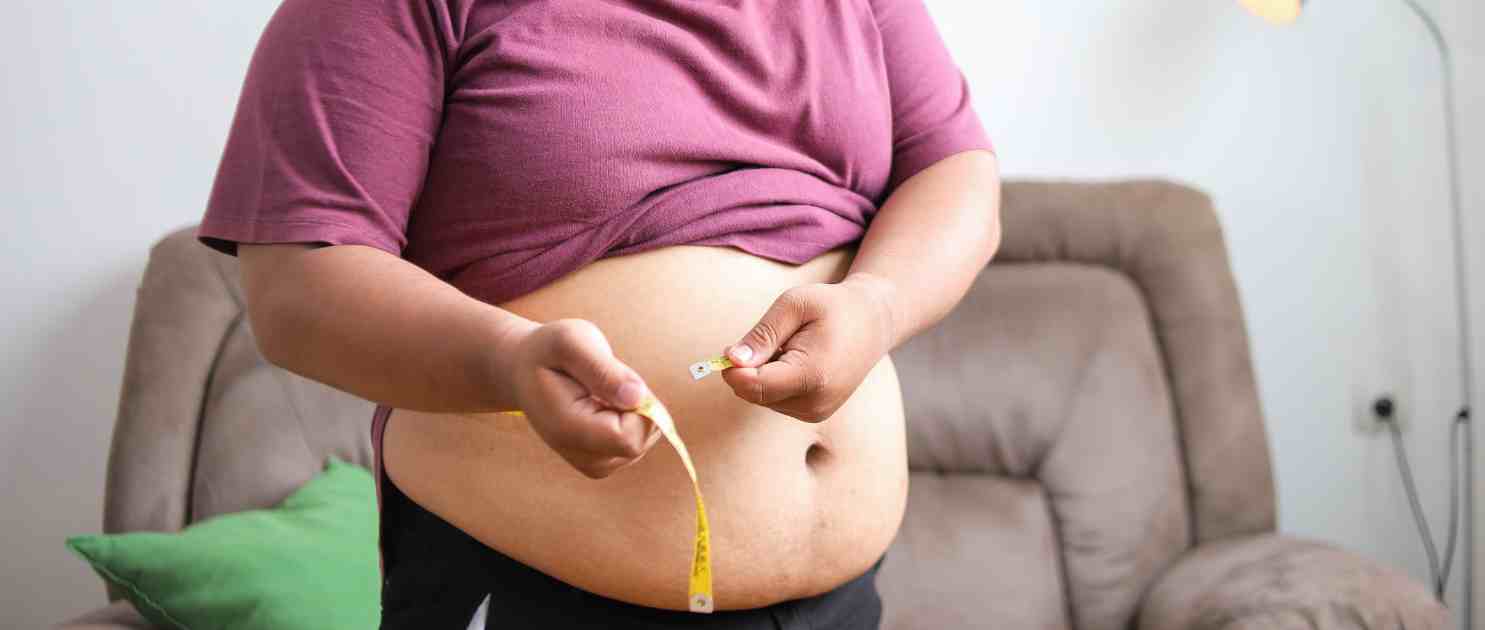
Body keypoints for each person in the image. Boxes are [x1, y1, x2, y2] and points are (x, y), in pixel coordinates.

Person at [194, 0, 998, 627]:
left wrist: (875, 303)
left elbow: (957, 171)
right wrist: (505, 360)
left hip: (843, 603)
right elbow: (295, 286)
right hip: (531, 590)